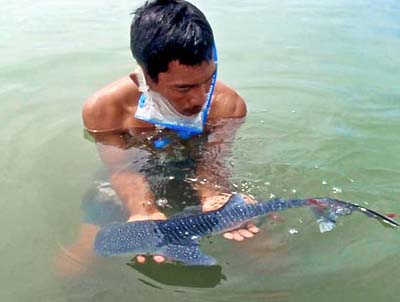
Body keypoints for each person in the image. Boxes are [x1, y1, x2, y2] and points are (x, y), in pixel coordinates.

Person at [56, 0, 259, 275]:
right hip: (129, 178)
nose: (201, 98)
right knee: (75, 265)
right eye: (183, 87)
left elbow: (212, 163)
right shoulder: (105, 110)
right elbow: (121, 168)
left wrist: (214, 196)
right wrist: (143, 209)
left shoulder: (228, 104)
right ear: (144, 76)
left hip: (191, 172)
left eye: (208, 79)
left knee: (264, 250)